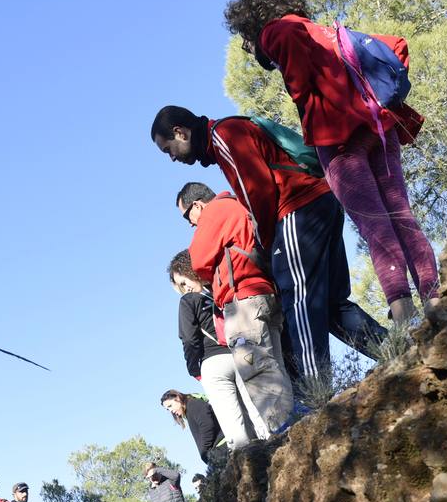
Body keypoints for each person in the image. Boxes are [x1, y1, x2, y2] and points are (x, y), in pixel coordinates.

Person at [222, 0, 438, 324]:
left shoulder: (277, 31)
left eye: (245, 39)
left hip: (338, 141)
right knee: (400, 215)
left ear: (252, 23)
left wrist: (268, 52)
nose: (250, 47)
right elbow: (394, 44)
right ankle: (435, 299)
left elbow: (300, 85)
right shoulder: (320, 31)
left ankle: (403, 315)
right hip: (379, 127)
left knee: (376, 227)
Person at [151, 111, 386, 381]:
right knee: (332, 304)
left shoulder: (223, 135)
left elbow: (257, 191)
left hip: (297, 209)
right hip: (321, 201)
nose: (172, 157)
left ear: (181, 132)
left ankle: (317, 391)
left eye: (168, 149)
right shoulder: (227, 134)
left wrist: (263, 244)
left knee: (298, 300)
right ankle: (391, 350)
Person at [179, 186, 294, 433]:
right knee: (275, 366)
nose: (191, 224)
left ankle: (284, 430)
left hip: (241, 297)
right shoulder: (239, 203)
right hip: (266, 292)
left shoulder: (215, 211)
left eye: (187, 216)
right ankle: (295, 422)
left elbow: (197, 260)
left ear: (198, 205)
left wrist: (213, 275)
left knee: (254, 368)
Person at [168, 249, 261, 448]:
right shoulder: (218, 294)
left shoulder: (188, 301)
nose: (185, 289)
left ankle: (251, 473)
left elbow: (189, 339)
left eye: (183, 283)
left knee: (234, 427)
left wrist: (193, 369)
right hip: (239, 355)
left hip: (213, 363)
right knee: (255, 415)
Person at [161, 389, 226, 468]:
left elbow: (207, 426)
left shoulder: (193, 404)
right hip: (216, 453)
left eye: (170, 406)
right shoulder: (189, 409)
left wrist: (204, 452)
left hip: (222, 449)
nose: (171, 411)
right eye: (168, 409)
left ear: (177, 398)